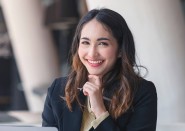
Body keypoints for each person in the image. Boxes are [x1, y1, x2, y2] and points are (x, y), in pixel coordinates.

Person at [42, 8, 157, 131]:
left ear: (120, 50)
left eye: (103, 43)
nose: (92, 54)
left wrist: (100, 111)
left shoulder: (142, 93)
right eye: (85, 42)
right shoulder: (58, 89)